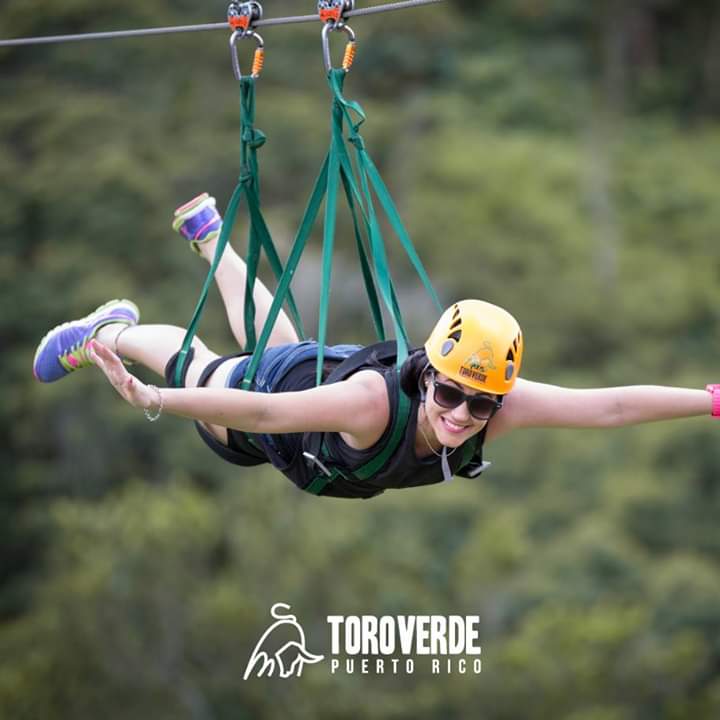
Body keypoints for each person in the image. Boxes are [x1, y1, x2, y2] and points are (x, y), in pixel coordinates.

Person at [32, 194, 719, 499]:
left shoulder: (494, 408)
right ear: (427, 375)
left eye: (481, 405)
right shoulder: (371, 404)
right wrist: (153, 397)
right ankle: (109, 329)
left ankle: (211, 238)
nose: (461, 415)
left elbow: (610, 407)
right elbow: (263, 413)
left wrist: (711, 400)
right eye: (449, 393)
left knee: (279, 339)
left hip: (309, 380)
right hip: (267, 404)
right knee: (199, 362)